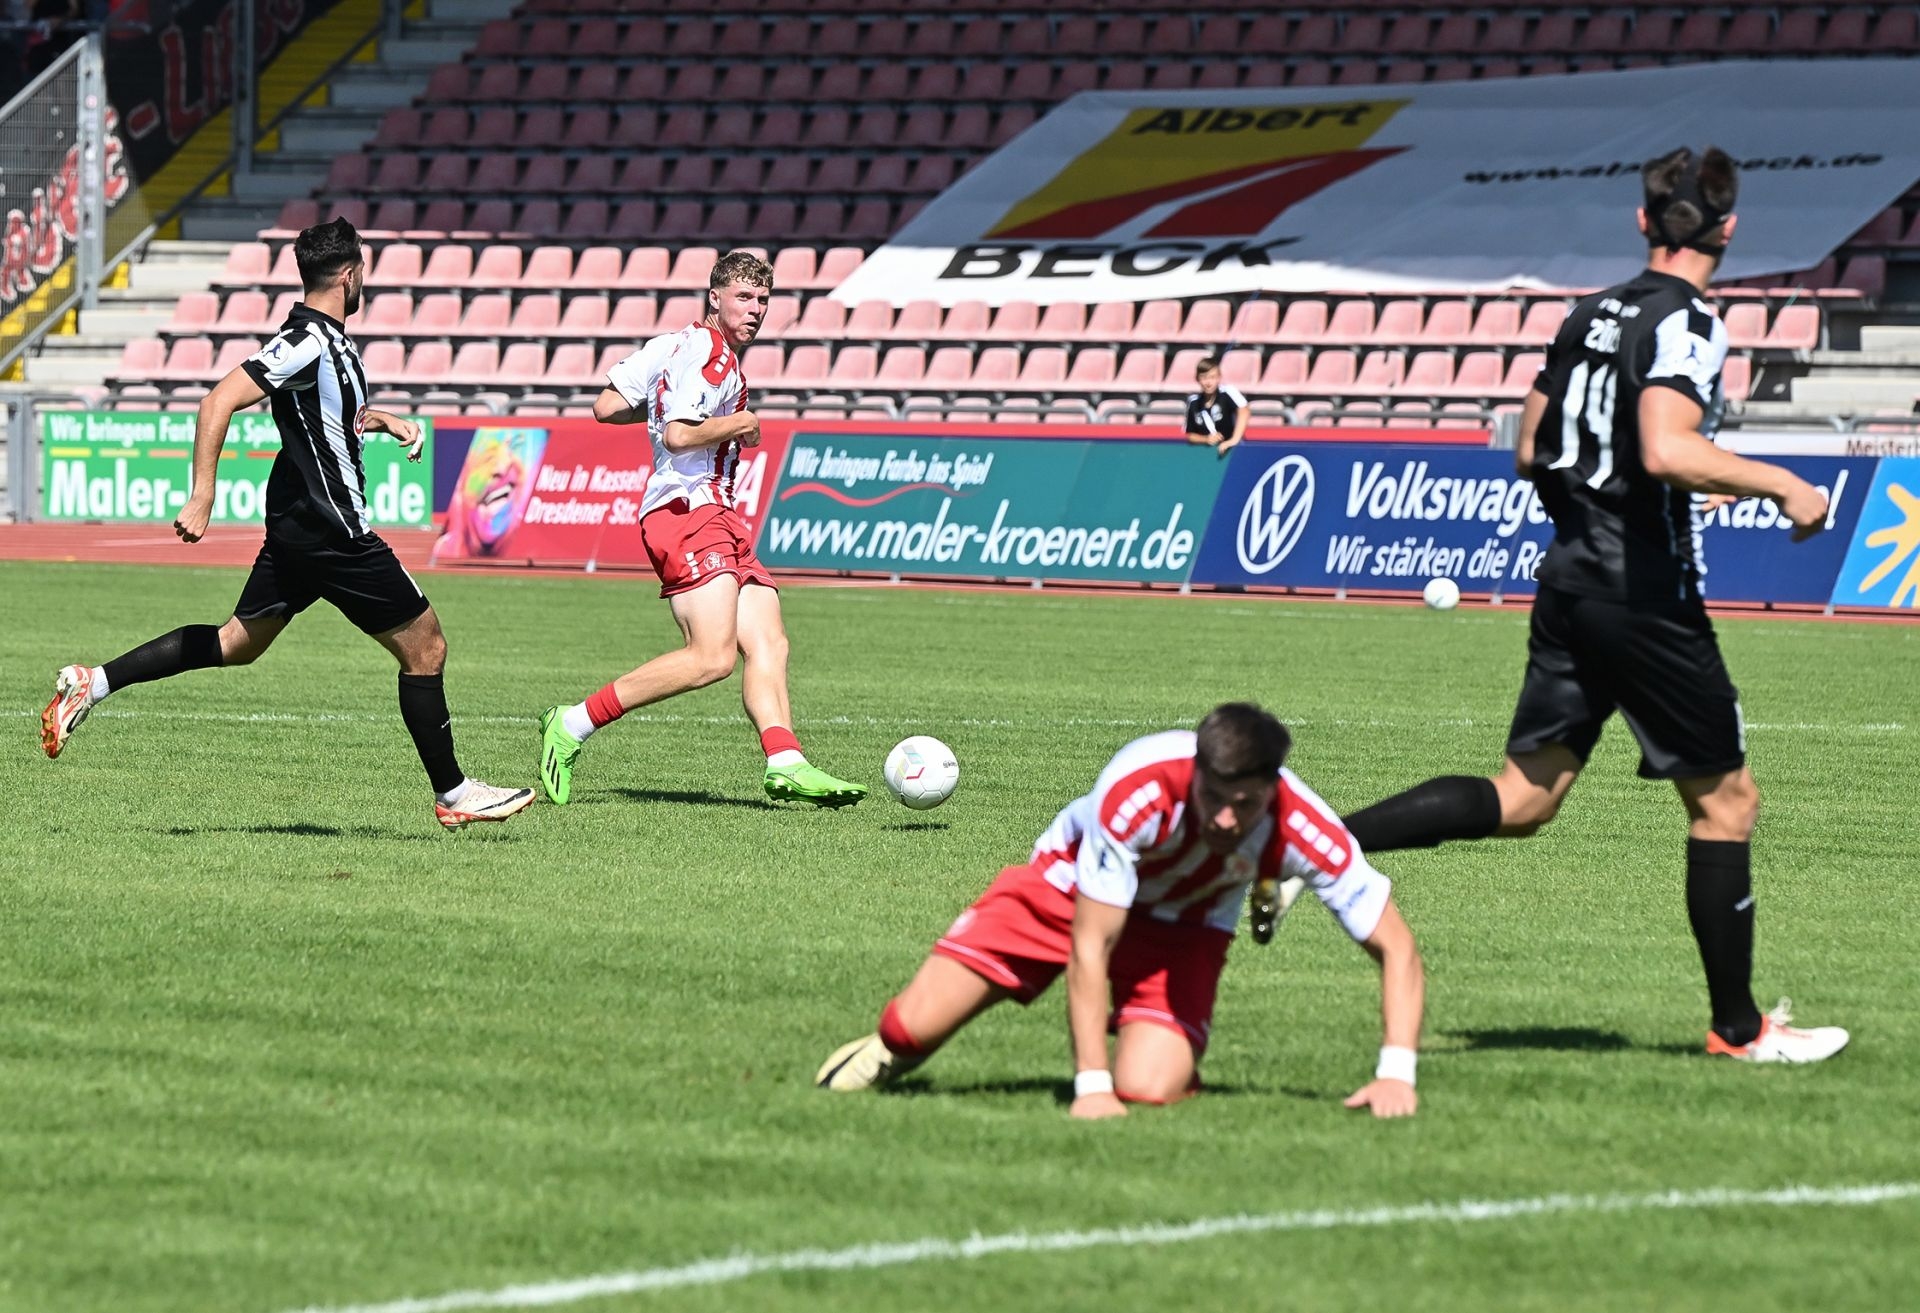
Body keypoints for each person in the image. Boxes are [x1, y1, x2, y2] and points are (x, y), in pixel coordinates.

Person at [1341, 146, 1846, 1064]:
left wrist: (1625, 503)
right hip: (1642, 595)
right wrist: (1783, 484)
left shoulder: (1589, 312)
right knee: (1727, 802)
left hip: (1571, 579)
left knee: (1523, 798)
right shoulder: (1688, 320)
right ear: (1730, 229)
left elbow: (1531, 448)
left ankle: (1322, 843)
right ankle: (1740, 1031)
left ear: (1643, 222)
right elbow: (1663, 447)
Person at [40, 217, 534, 831]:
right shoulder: (305, 342)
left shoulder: (330, 343)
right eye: (363, 271)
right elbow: (217, 400)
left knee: (236, 643)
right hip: (333, 533)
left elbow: (328, 417)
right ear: (348, 277)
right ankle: (454, 793)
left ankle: (93, 683)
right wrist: (202, 494)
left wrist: (384, 421)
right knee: (426, 645)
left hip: (300, 529)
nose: (365, 282)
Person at [816, 703, 1425, 1119]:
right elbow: (1089, 946)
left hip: (1186, 924)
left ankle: (1260, 897)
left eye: (1244, 804)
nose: (1224, 819)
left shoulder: (1307, 828)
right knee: (908, 1029)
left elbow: (1396, 947)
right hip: (1065, 890)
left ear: (1273, 787)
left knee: (1148, 1088)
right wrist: (1090, 1086)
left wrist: (1396, 1073)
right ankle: (892, 1048)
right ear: (1195, 771)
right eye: (1213, 797)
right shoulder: (1139, 787)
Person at [537, 250, 866, 808]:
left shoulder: (671, 345)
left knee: (769, 640)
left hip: (718, 513)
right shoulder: (709, 355)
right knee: (711, 657)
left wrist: (663, 407)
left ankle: (787, 762)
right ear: (715, 297)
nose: (756, 309)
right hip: (688, 511)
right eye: (744, 297)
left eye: (763, 300)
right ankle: (572, 724)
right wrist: (740, 422)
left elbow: (607, 406)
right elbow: (679, 436)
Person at [1182, 356, 1248, 456]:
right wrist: (1206, 439)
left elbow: (1244, 411)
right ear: (1197, 379)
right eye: (1204, 378)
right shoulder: (1193, 402)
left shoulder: (1228, 392)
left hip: (1233, 452)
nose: (1208, 383)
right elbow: (1190, 435)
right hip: (1206, 454)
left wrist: (1233, 440)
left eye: (1212, 377)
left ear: (1219, 378)